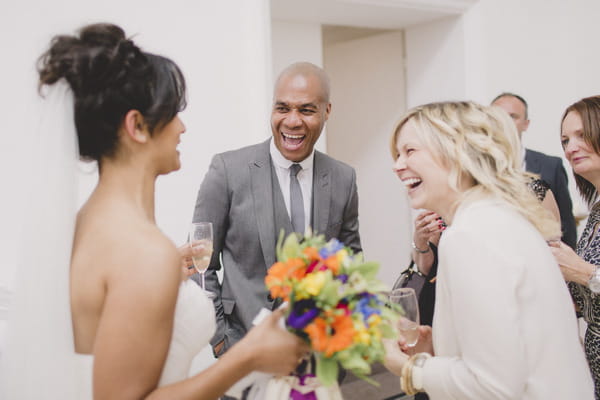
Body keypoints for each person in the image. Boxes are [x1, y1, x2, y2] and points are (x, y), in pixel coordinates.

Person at [1, 23, 309, 400]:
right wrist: (247, 356)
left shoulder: (86, 224)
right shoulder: (144, 253)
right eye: (173, 112)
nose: (182, 127)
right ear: (137, 126)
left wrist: (166, 277)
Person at [384, 101, 593, 399]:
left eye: (410, 151)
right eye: (397, 154)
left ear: (456, 153)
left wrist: (408, 368)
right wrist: (438, 352)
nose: (397, 165)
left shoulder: (471, 235)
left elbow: (492, 385)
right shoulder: (498, 218)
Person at [192, 62, 361, 362]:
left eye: (306, 110)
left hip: (318, 360)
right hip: (243, 358)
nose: (292, 121)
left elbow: (350, 263)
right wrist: (222, 341)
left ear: (327, 111)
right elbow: (199, 265)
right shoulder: (227, 171)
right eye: (282, 108)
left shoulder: (342, 178)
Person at [551, 95, 600, 398]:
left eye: (582, 135)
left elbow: (587, 274)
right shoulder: (595, 207)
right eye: (566, 140)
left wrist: (584, 273)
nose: (571, 148)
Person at [492, 92, 577, 248]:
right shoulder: (471, 167)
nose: (504, 122)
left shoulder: (551, 165)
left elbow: (566, 226)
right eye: (498, 116)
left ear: (526, 123)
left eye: (512, 116)